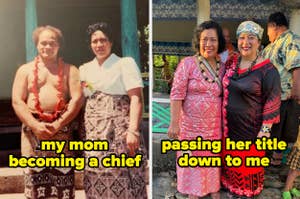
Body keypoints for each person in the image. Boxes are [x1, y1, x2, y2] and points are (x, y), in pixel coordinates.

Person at [12, 25, 83, 199]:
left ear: (59, 46)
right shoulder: (25, 70)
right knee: (35, 180)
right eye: (43, 43)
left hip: (62, 128)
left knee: (62, 181)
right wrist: (35, 125)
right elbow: (17, 100)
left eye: (52, 43)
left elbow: (77, 99)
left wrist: (59, 123)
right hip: (32, 131)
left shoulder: (70, 70)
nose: (48, 47)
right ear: (37, 45)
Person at [79, 22, 147, 199]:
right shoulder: (85, 69)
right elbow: (85, 95)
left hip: (120, 131)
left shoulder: (125, 63)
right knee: (95, 176)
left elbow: (136, 98)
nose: (99, 45)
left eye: (103, 40)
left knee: (124, 175)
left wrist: (133, 130)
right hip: (94, 134)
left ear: (111, 42)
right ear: (90, 44)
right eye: (95, 41)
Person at [221, 21, 281, 197]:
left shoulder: (268, 70)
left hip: (252, 131)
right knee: (231, 165)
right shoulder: (232, 60)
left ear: (259, 42)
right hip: (229, 128)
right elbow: (215, 60)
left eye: (251, 38)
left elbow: (273, 99)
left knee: (247, 169)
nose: (245, 42)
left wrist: (265, 130)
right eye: (241, 38)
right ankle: (231, 188)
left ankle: (246, 191)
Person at [168, 20, 226, 199]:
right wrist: (174, 124)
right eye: (204, 39)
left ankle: (211, 187)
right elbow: (176, 94)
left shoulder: (223, 67)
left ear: (219, 43)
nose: (208, 44)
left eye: (213, 40)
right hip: (190, 127)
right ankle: (194, 191)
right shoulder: (187, 64)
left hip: (213, 126)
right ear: (198, 41)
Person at [262, 11, 300, 166]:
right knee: (271, 133)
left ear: (274, 26)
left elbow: (296, 65)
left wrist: (297, 90)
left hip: (285, 96)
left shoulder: (291, 40)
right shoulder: (271, 46)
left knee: (281, 133)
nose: (268, 33)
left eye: (268, 29)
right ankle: (271, 162)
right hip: (270, 97)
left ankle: (276, 162)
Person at [283, 124, 300, 199]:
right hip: (299, 148)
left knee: (293, 170)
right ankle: (286, 190)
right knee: (295, 172)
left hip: (297, 147)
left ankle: (290, 187)